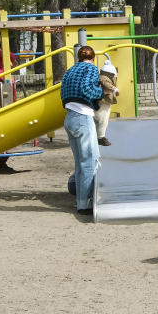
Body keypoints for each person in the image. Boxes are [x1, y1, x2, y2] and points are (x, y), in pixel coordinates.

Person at [60, 45, 104, 215]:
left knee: (80, 163)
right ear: (93, 58)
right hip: (83, 117)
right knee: (90, 162)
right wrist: (102, 91)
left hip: (69, 117)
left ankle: (80, 202)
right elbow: (87, 88)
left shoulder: (69, 71)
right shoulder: (92, 69)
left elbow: (63, 93)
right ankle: (86, 204)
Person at [95, 59, 119, 147]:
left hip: (105, 101)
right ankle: (100, 137)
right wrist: (114, 89)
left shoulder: (103, 76)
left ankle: (99, 136)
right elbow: (106, 83)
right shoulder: (104, 77)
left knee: (102, 120)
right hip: (103, 101)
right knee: (102, 120)